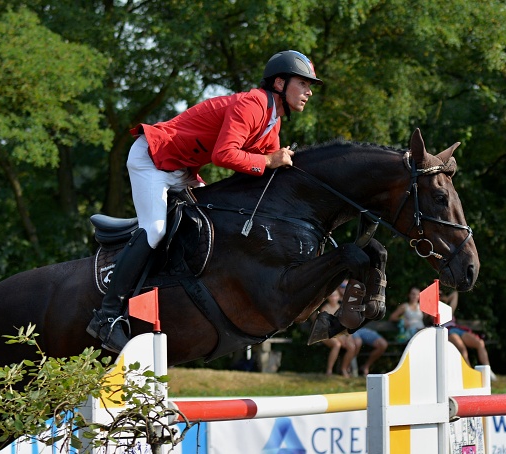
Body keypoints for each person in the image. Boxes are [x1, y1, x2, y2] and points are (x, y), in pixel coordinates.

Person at [87, 50, 321, 353]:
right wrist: (269, 159)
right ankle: (106, 316)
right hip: (154, 160)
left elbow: (263, 173)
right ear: (280, 82)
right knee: (155, 230)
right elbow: (225, 155)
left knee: (211, 216)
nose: (309, 91)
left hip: (183, 170)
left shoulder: (272, 123)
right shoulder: (251, 104)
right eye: (303, 83)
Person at [442, 290, 496, 381]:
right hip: (446, 331)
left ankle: (488, 370)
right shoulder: (433, 311)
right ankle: (469, 373)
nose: (440, 297)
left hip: (457, 329)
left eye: (441, 294)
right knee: (462, 349)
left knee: (480, 343)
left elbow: (455, 293)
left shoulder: (449, 310)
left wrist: (445, 299)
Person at [318, 284, 359, 376]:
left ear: (339, 297)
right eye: (332, 296)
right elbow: (326, 327)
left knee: (352, 346)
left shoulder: (342, 309)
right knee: (337, 344)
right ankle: (329, 370)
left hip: (341, 335)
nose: (333, 298)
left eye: (335, 296)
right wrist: (340, 338)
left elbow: (347, 325)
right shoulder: (325, 309)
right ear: (328, 297)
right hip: (327, 334)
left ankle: (344, 369)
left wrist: (348, 337)